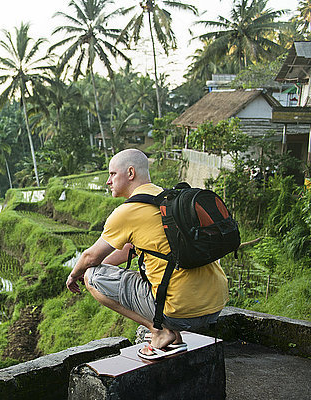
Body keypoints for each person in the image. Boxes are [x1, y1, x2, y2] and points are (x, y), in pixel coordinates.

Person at [65, 149, 228, 359]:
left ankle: (159, 332)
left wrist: (74, 275)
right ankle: (170, 331)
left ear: (130, 173)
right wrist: (98, 264)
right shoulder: (169, 200)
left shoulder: (129, 211)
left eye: (113, 174)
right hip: (215, 306)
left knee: (92, 277)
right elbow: (126, 250)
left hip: (181, 313)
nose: (108, 181)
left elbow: (90, 258)